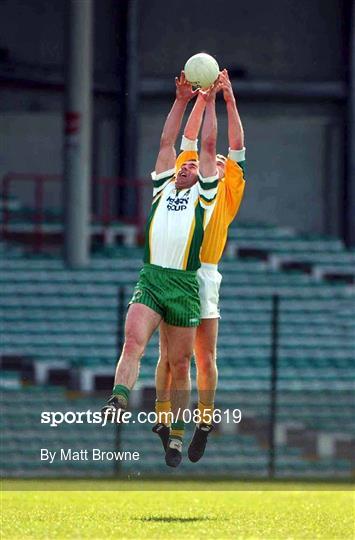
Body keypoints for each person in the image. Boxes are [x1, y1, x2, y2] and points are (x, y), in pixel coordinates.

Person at [101, 72, 220, 468]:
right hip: (152, 278)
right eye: (181, 167)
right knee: (133, 341)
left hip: (184, 285)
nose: (183, 168)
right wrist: (182, 99)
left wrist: (212, 100)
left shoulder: (203, 195)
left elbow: (205, 144)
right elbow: (168, 142)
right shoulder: (164, 186)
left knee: (179, 364)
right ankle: (119, 395)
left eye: (190, 167)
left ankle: (176, 435)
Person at [153, 70, 246, 463]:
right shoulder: (191, 178)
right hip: (175, 268)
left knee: (204, 356)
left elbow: (234, 145)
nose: (217, 159)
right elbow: (189, 141)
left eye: (223, 160)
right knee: (169, 356)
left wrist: (228, 100)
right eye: (215, 157)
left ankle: (203, 422)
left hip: (204, 273)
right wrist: (199, 99)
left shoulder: (227, 185)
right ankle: (163, 419)